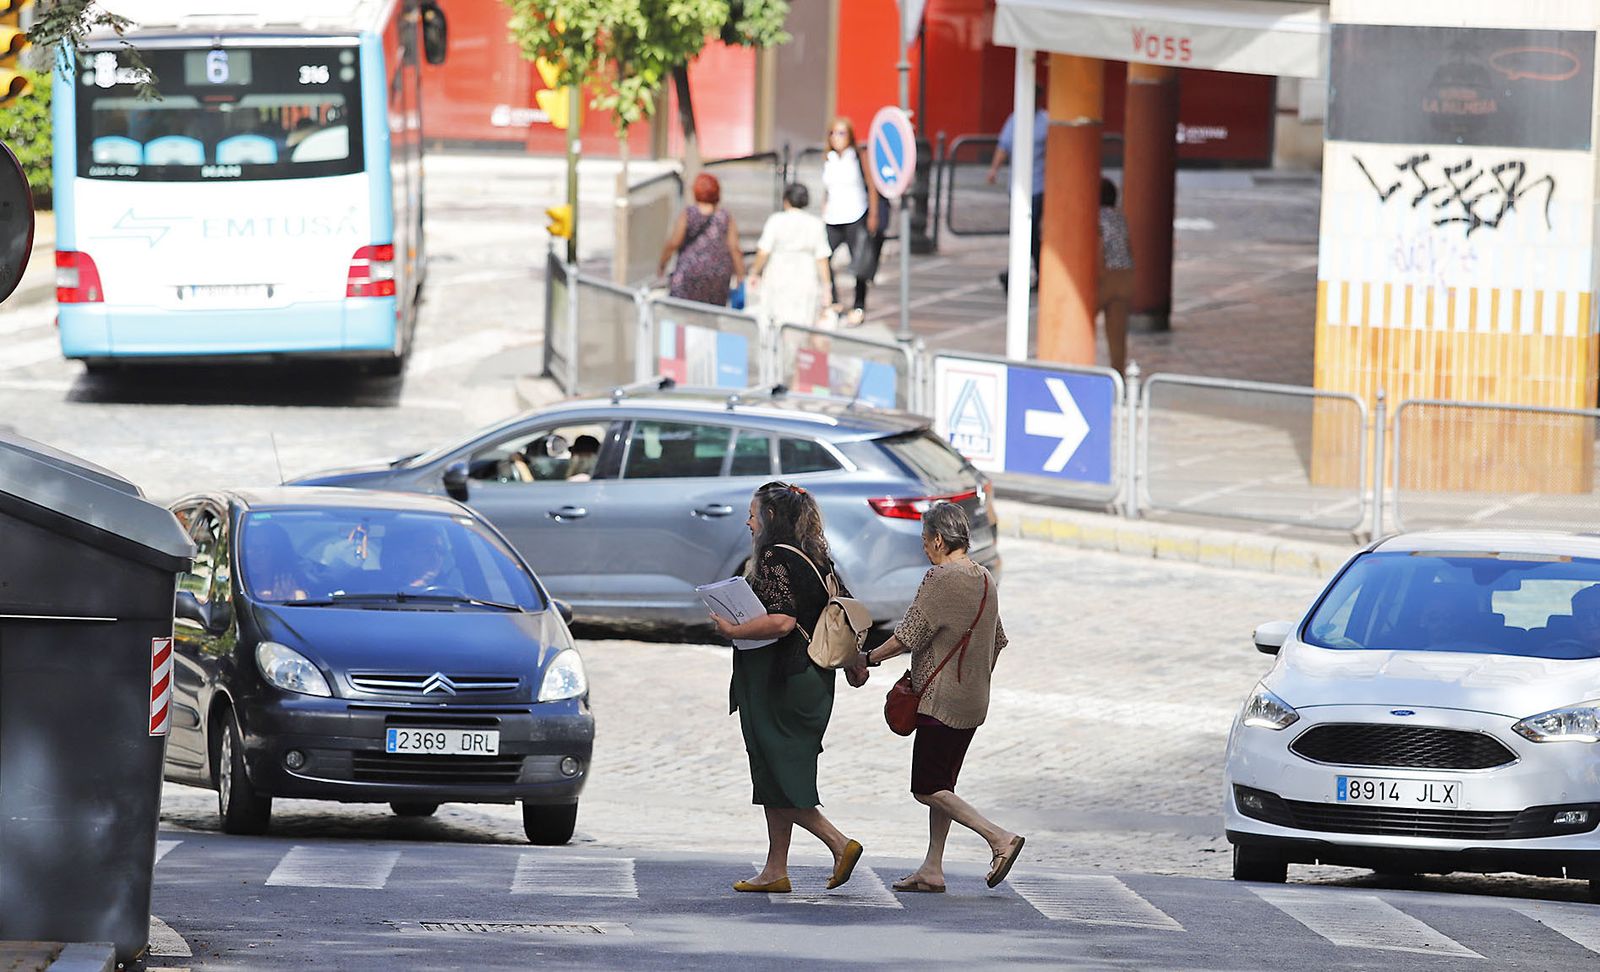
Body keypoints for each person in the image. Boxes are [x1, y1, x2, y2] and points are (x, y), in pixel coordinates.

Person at [847, 500, 1025, 893]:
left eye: (925, 542)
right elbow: (997, 641)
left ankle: (999, 838)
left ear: (939, 540)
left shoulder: (940, 577)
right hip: (974, 699)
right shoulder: (984, 579)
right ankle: (932, 867)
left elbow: (909, 634)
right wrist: (974, 678)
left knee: (927, 787)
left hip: (940, 700)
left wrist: (867, 659)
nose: (924, 549)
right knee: (944, 785)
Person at [710, 481, 864, 894]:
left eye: (753, 513)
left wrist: (732, 628)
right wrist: (856, 662)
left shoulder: (776, 557)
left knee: (779, 773)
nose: (748, 520)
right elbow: (843, 611)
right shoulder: (819, 558)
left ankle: (838, 843)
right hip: (811, 681)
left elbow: (780, 621)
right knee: (774, 770)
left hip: (782, 681)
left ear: (771, 518)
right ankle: (775, 869)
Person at [821, 118, 883, 326]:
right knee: (823, 255)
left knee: (860, 262)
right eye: (833, 133)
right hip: (833, 216)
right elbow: (827, 188)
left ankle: (859, 305)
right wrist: (824, 208)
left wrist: (873, 214)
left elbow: (871, 185)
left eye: (841, 133)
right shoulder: (828, 158)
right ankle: (835, 300)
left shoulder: (858, 156)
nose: (836, 138)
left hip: (856, 214)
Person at [987, 88, 1048, 292]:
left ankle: (1029, 274)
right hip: (1018, 187)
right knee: (1023, 234)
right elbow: (1004, 146)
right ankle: (1020, 274)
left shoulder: (1046, 121)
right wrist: (994, 170)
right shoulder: (1015, 119)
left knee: (1031, 234)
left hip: (1039, 187)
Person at [749, 183, 833, 328]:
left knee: (773, 324)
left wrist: (754, 272)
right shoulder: (816, 224)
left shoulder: (776, 220)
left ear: (786, 200)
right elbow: (822, 259)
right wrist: (826, 288)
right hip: (806, 280)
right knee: (800, 328)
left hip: (777, 277)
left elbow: (763, 251)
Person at [659, 173, 745, 307]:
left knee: (682, 316)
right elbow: (734, 248)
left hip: (688, 273)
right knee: (710, 316)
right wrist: (740, 276)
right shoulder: (725, 217)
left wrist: (662, 264)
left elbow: (674, 243)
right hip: (718, 276)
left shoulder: (688, 214)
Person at [1098, 177, 1134, 375]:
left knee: (1081, 322)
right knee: (1117, 335)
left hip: (1106, 277)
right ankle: (1118, 375)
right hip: (1126, 275)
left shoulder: (1096, 217)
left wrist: (1098, 274)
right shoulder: (1120, 217)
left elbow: (1098, 247)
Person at [246, 521, 308, 602]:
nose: (254, 555)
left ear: (277, 552)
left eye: (261, 549)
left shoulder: (294, 593)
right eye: (251, 547)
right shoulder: (243, 589)